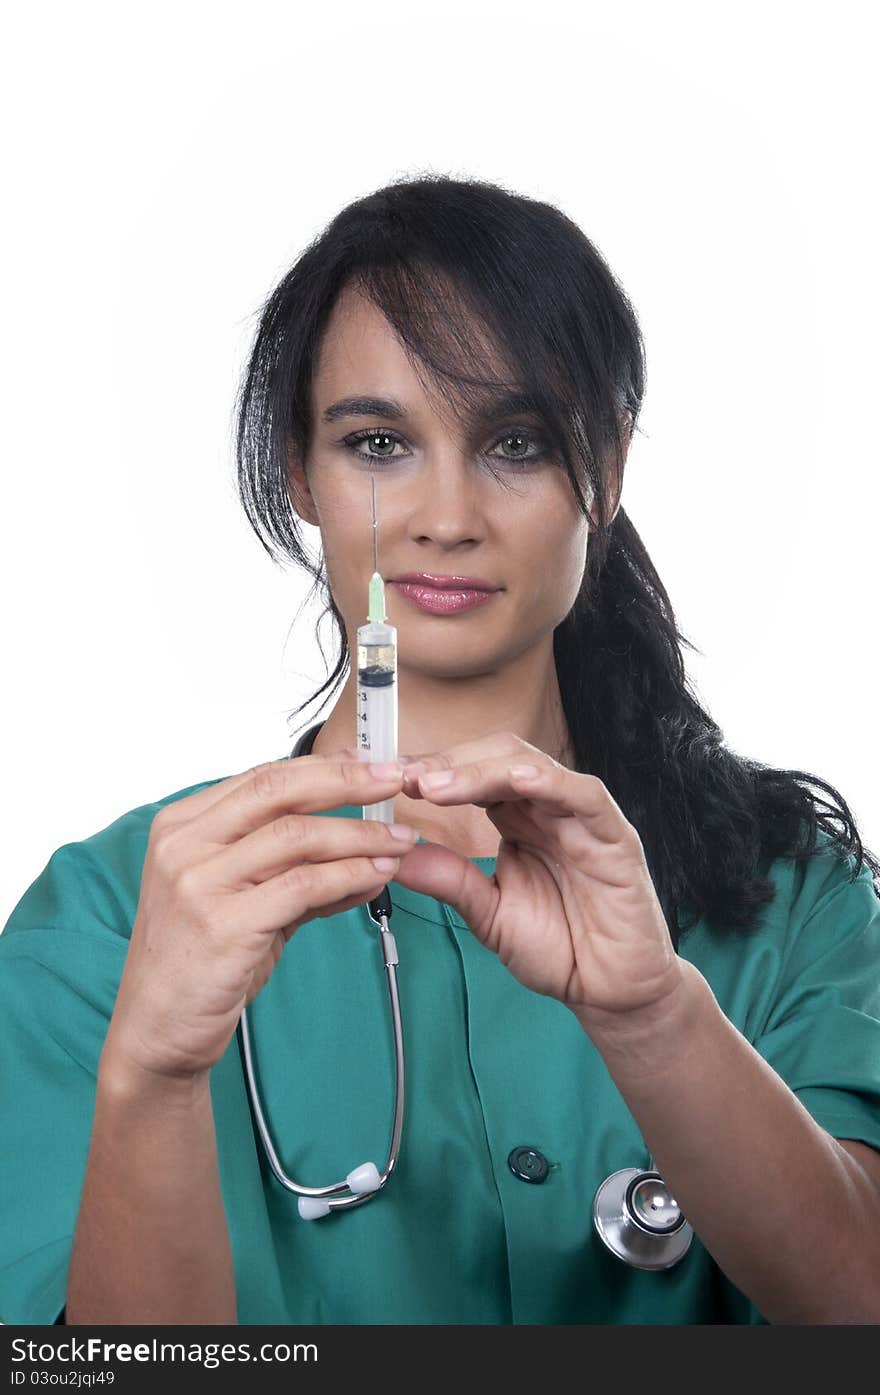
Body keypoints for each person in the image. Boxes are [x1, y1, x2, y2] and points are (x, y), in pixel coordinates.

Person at [2, 173, 880, 1327]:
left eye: (515, 443)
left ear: (604, 470)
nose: (448, 514)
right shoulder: (112, 919)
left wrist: (656, 1019)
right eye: (377, 442)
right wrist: (153, 1079)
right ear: (294, 469)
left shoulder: (791, 893)